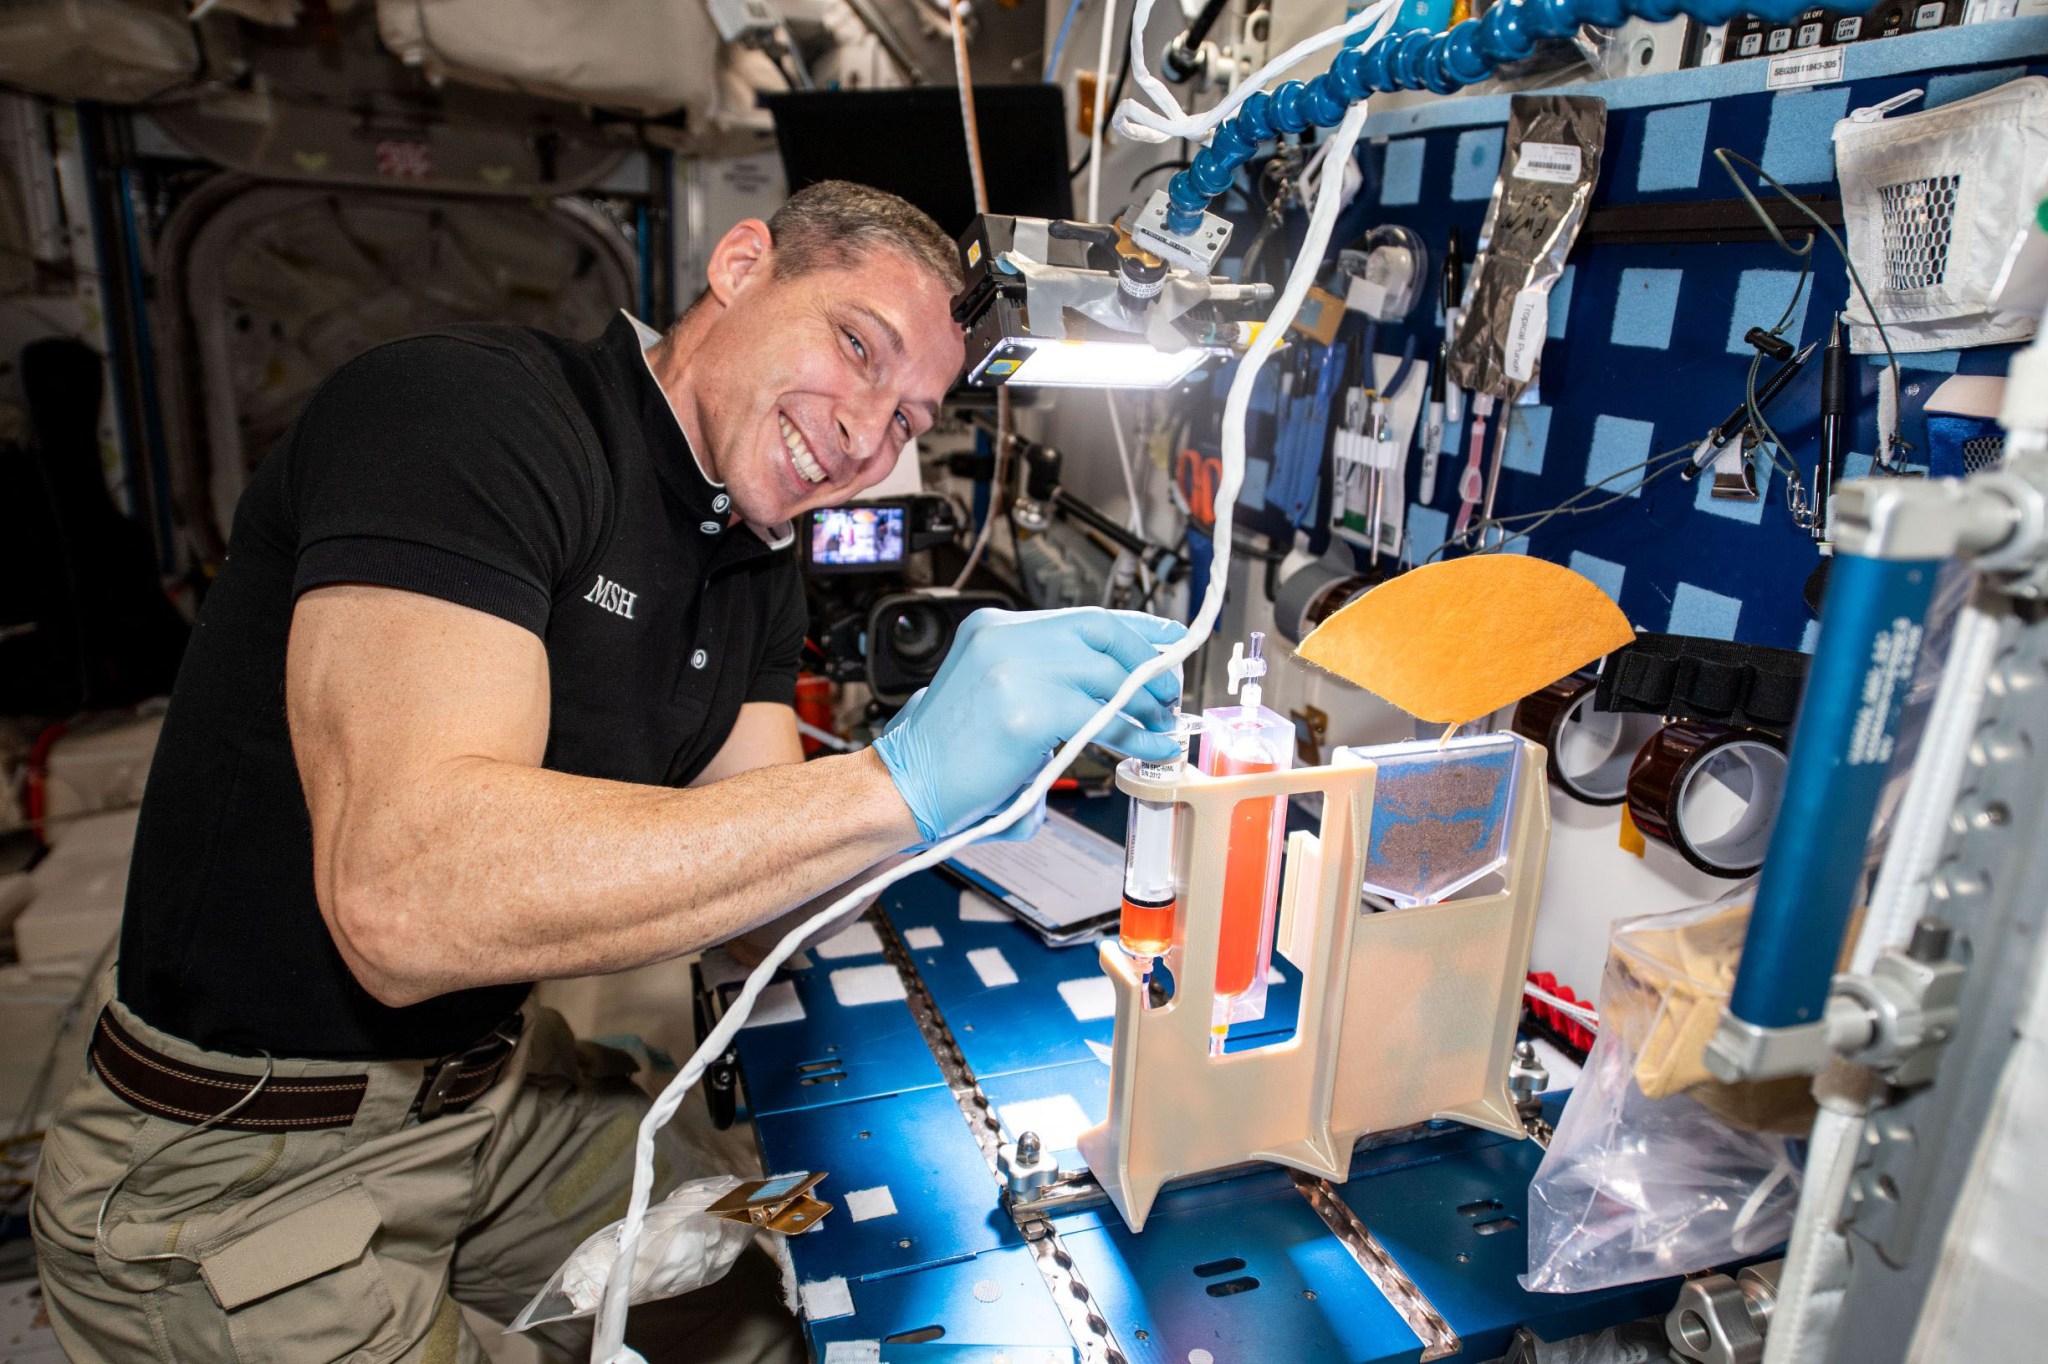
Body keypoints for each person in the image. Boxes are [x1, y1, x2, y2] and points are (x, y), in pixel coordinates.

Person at [31, 180, 1183, 1363]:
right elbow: (401, 897)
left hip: (499, 1098)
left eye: (905, 419)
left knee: (796, 1266)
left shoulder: (751, 554)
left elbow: (753, 915)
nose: (863, 433)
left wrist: (959, 800)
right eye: (855, 346)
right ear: (741, 265)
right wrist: (895, 780)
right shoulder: (469, 414)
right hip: (238, 1159)